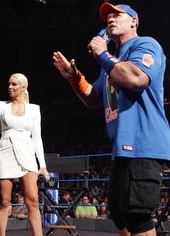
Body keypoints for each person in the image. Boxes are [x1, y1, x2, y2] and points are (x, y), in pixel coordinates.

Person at [53, 2, 170, 236]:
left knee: (137, 216)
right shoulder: (110, 61)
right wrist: (74, 77)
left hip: (143, 143)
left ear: (134, 21)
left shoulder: (145, 45)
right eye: (108, 17)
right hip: (122, 148)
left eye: (117, 15)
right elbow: (93, 98)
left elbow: (137, 79)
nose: (111, 19)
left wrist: (102, 53)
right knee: (120, 215)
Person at [0, 73, 49, 236]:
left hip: (27, 152)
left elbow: (37, 138)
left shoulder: (34, 109)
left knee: (32, 201)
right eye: (9, 84)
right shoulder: (1, 106)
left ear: (23, 87)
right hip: (5, 151)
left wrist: (43, 165)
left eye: (14, 84)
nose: (10, 87)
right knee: (3, 201)